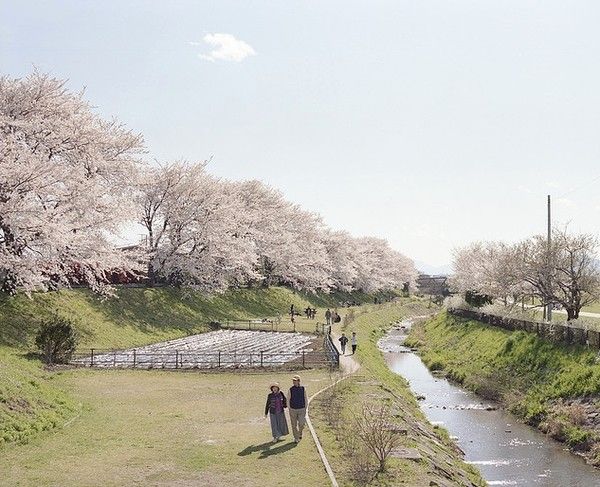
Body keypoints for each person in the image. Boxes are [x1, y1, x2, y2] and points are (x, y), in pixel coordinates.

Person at [288, 375, 307, 443]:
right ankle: (296, 437)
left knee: (302, 423)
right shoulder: (291, 389)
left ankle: (300, 433)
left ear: (299, 381)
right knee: (294, 425)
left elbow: (305, 397)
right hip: (293, 409)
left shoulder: (303, 388)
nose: (294, 382)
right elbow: (288, 398)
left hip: (302, 409)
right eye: (293, 380)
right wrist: (289, 408)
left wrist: (305, 407)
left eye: (295, 380)